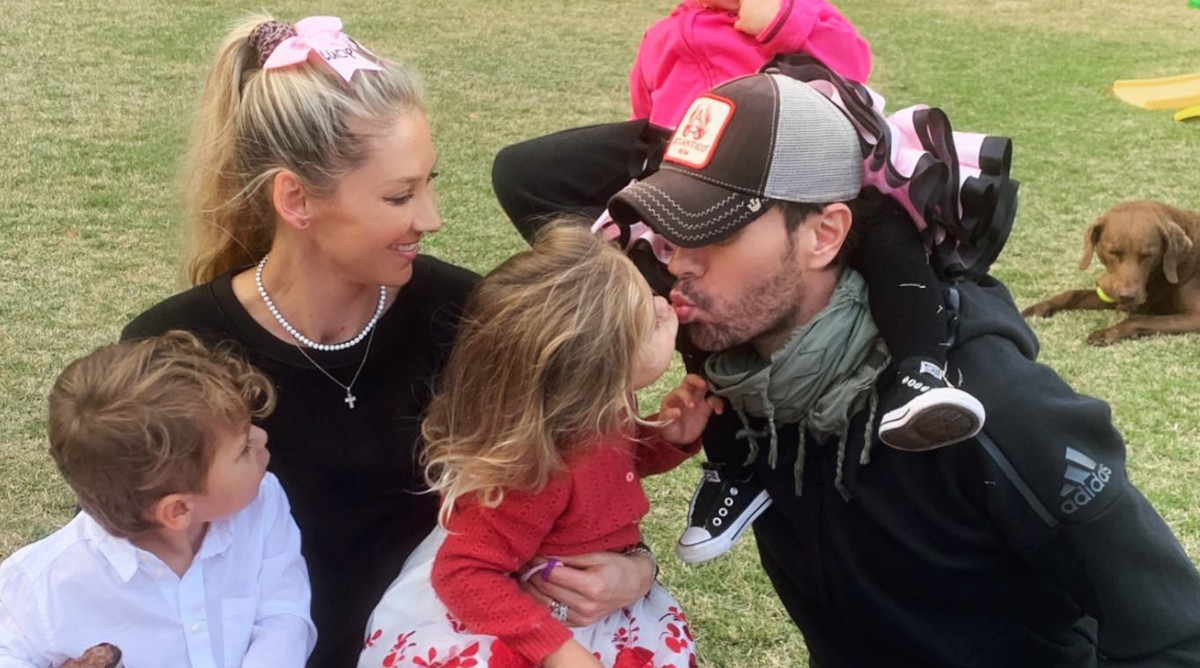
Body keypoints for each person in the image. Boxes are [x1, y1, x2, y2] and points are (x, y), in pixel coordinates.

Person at [607, 72, 1200, 666]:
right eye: (673, 230)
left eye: (716, 230)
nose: (678, 263)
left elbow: (1177, 635)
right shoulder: (747, 389)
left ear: (825, 235)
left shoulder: (990, 406)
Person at [121, 15, 656, 667]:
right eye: (400, 196)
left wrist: (635, 569)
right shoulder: (173, 350)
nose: (431, 218)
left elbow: (575, 474)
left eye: (429, 183)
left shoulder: (471, 316)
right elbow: (134, 564)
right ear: (296, 199)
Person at [494, 0, 992, 565]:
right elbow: (647, 110)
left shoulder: (788, 10)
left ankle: (920, 373)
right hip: (690, 172)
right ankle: (734, 465)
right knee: (690, 290)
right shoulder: (666, 33)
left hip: (793, 163)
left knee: (882, 228)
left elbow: (850, 60)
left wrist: (783, 20)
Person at [358, 224, 714, 668]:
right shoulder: (535, 475)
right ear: (605, 365)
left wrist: (667, 438)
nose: (665, 306)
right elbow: (462, 572)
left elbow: (610, 471)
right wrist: (557, 651)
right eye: (652, 322)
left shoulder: (601, 408)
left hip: (592, 605)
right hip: (517, 625)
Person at [0, 332, 315, 668]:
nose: (262, 437)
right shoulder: (41, 584)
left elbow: (284, 616)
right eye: (243, 449)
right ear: (178, 509)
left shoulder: (262, 504)